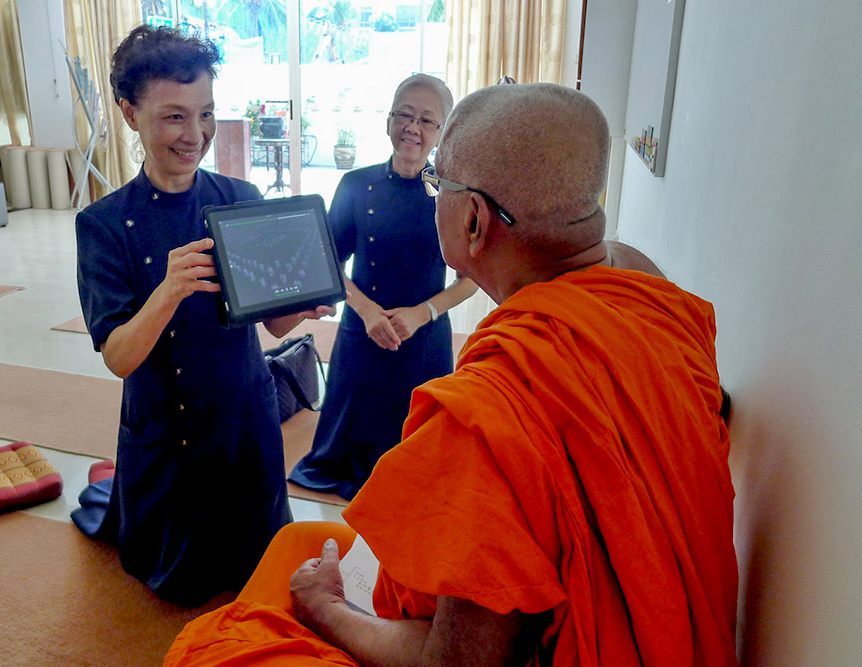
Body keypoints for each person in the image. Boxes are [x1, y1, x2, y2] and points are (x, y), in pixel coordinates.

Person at [163, 83, 739, 664]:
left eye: (439, 182)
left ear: (473, 221)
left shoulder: (487, 416)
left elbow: (457, 662)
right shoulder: (648, 283)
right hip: (684, 632)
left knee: (210, 650)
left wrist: (325, 607)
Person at [72, 25, 331, 606]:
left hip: (244, 412)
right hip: (168, 425)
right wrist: (168, 290)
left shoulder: (240, 198)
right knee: (179, 585)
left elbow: (272, 324)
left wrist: (302, 303)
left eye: (206, 114)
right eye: (174, 117)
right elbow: (119, 358)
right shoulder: (104, 224)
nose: (196, 135)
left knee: (259, 565)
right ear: (129, 112)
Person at [288, 74, 478, 500]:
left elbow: (472, 280)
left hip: (424, 334)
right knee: (347, 447)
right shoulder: (355, 185)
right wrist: (367, 311)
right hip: (362, 328)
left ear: (443, 132)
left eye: (426, 120)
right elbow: (329, 262)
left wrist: (423, 313)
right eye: (404, 115)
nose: (413, 127)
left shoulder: (455, 196)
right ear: (389, 120)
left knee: (420, 460)